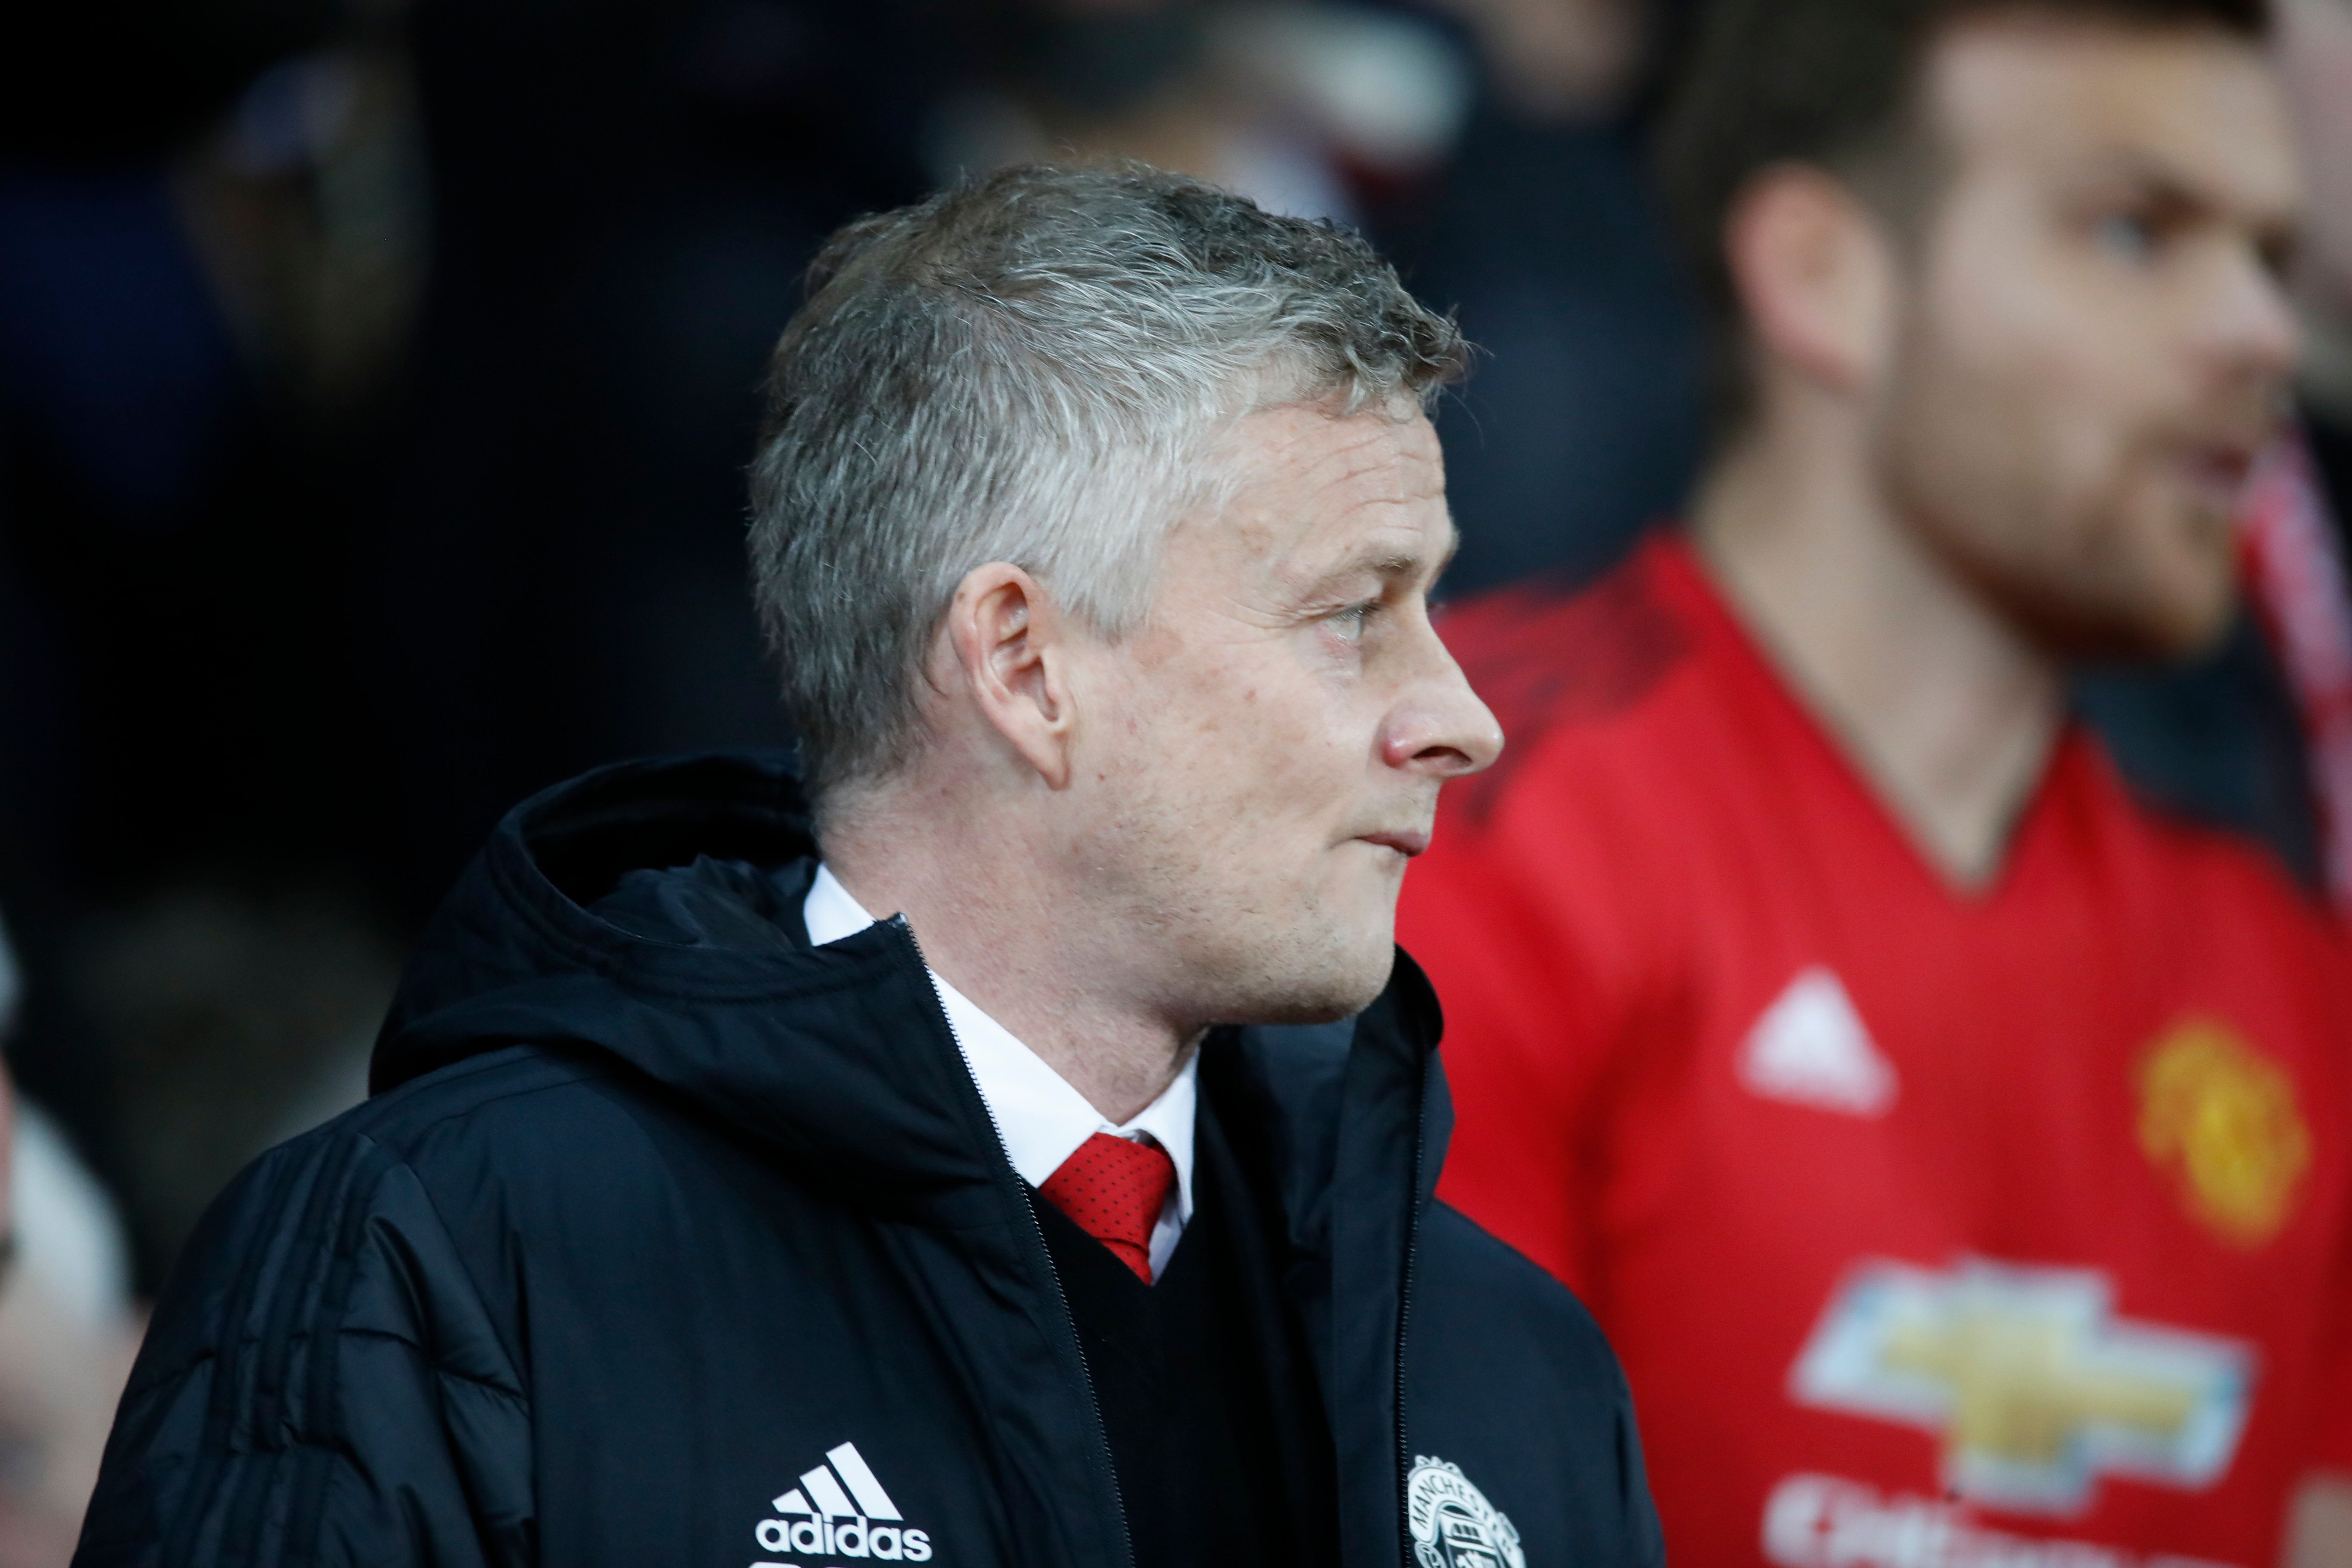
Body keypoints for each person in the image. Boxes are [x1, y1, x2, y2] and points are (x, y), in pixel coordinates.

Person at [72, 163, 1665, 1568]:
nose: (1462, 720)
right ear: (1023, 665)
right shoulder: (437, 1266)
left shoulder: (1503, 1362)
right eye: (1353, 612)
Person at [1396, 1, 2352, 1564]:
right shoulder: (1447, 820)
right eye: (2136, 230)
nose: (2256, 331)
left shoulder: (2285, 977)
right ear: (1822, 274)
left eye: (2267, 254)